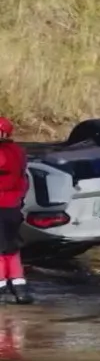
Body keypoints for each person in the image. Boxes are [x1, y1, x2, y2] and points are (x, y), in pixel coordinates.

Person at [0, 117, 33, 304]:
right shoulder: (18, 151)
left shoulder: (3, 154)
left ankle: (2, 289)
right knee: (11, 247)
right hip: (13, 206)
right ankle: (20, 289)